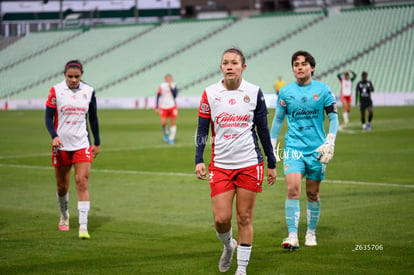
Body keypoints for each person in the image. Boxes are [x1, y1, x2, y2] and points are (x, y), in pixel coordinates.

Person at [195, 48, 276, 275]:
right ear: (221, 67)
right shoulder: (210, 93)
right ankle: (229, 245)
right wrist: (198, 158)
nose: (229, 66)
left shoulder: (254, 92)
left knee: (244, 216)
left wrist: (271, 162)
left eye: (234, 63)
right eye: (225, 63)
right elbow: (202, 129)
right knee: (221, 219)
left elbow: (263, 130)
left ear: (243, 67)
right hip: (220, 166)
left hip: (250, 163)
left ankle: (241, 269)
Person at [270, 51, 339, 250]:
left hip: (317, 150)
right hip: (294, 149)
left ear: (312, 67)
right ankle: (292, 235)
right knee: (292, 190)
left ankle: (310, 232)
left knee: (312, 194)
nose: (299, 67)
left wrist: (330, 141)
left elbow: (333, 118)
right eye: (296, 64)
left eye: (303, 64)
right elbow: (278, 119)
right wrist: (272, 144)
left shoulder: (323, 90)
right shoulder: (285, 92)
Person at [45, 60, 101, 240]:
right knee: (62, 187)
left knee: (82, 182)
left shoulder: (89, 91)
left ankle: (83, 227)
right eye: (70, 76)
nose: (74, 79)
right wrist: (54, 136)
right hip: (61, 145)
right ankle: (64, 215)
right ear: (64, 75)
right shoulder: (56, 91)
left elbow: (93, 118)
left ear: (81, 75)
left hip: (82, 144)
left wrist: (97, 142)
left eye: (77, 76)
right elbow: (48, 117)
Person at [156, 74, 178, 144]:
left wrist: (171, 87)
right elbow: (158, 96)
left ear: (171, 79)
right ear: (165, 79)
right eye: (167, 78)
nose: (168, 79)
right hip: (163, 107)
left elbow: (175, 95)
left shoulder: (174, 85)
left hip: (172, 106)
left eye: (170, 78)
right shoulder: (161, 86)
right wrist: (157, 107)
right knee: (163, 123)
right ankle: (166, 133)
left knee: (173, 122)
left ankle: (171, 138)